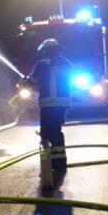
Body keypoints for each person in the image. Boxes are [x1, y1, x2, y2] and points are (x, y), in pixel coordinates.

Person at [22, 38, 72, 184]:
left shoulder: (42, 65)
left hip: (48, 105)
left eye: (44, 51)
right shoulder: (67, 64)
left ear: (46, 51)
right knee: (57, 132)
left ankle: (48, 166)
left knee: (46, 134)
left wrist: (25, 81)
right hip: (62, 104)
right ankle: (60, 165)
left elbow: (31, 82)